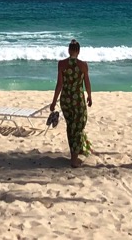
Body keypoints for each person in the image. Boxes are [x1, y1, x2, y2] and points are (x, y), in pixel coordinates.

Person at [50, 39, 93, 167]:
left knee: (71, 126)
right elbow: (87, 83)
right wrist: (89, 96)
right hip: (78, 100)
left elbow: (59, 84)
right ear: (78, 51)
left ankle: (78, 150)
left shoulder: (61, 64)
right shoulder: (83, 65)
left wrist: (53, 102)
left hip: (66, 100)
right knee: (78, 127)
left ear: (69, 50)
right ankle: (74, 160)